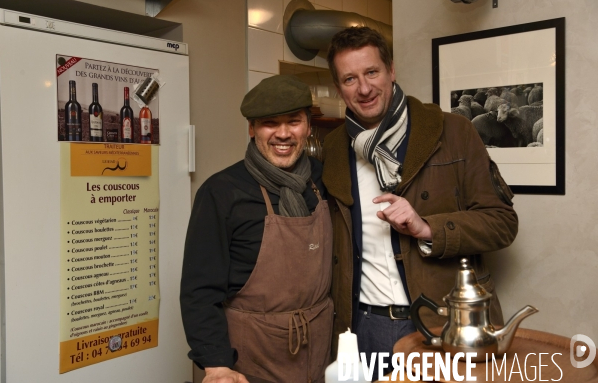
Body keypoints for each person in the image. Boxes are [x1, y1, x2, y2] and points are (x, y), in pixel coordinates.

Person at [322, 26, 518, 378]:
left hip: (441, 323)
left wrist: (428, 228)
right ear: (339, 88)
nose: (364, 89)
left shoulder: (453, 131)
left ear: (391, 70)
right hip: (363, 328)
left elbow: (502, 222)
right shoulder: (334, 149)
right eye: (350, 79)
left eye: (372, 72)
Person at [180, 74, 333, 383]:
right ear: (251, 129)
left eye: (293, 121)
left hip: (319, 353)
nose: (283, 134)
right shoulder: (222, 192)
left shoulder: (321, 179)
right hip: (253, 360)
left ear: (308, 125)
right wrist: (217, 365)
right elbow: (199, 292)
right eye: (270, 124)